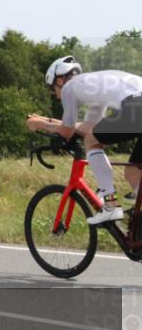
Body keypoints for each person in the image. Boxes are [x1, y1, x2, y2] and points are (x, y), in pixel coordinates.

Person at [26, 56, 142, 225]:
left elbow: (67, 131)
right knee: (133, 172)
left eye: (53, 90)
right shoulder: (95, 87)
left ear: (59, 81)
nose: (57, 96)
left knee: (91, 142)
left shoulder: (69, 88)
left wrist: (40, 124)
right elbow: (89, 128)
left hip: (137, 105)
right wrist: (48, 120)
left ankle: (110, 205)